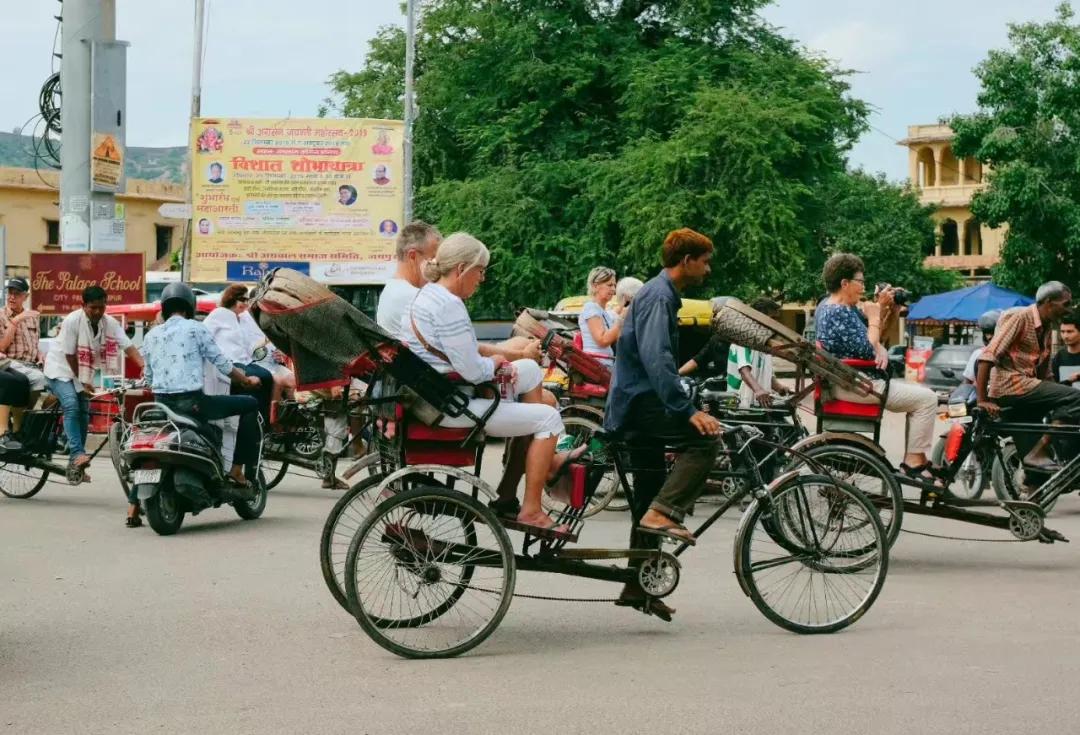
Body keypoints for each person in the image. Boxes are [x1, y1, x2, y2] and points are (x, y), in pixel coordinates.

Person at [400, 232, 581, 532]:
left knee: (531, 371)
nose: (481, 279)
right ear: (461, 269)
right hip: (454, 403)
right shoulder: (450, 306)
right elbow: (473, 369)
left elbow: (462, 351)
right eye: (480, 272)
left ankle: (519, 479)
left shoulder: (430, 296)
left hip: (439, 393)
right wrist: (496, 363)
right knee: (548, 418)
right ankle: (532, 507)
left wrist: (502, 356)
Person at [604, 228, 723, 620]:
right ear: (686, 261)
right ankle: (667, 511)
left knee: (647, 496)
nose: (707, 269)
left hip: (637, 404)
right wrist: (689, 411)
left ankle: (638, 586)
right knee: (705, 442)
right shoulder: (658, 297)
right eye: (704, 261)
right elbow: (658, 361)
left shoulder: (660, 295)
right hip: (642, 405)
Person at [815, 253, 940, 481]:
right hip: (858, 384)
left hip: (853, 380)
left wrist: (888, 310)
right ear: (845, 283)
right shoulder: (837, 312)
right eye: (860, 281)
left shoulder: (833, 306)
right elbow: (867, 348)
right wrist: (874, 314)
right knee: (928, 399)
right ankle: (914, 461)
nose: (863, 287)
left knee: (920, 398)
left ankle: (916, 458)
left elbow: (878, 336)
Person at [140, 282, 262, 499]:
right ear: (189, 306)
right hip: (193, 404)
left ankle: (134, 506)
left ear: (165, 308)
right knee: (250, 404)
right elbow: (222, 363)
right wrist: (246, 381)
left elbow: (148, 377)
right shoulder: (196, 328)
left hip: (161, 405)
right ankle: (236, 469)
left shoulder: (151, 336)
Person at [976, 282, 1080, 484]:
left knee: (1038, 471)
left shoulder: (1047, 327)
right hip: (1011, 386)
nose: (1068, 310)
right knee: (1076, 397)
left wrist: (1057, 394)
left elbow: (1044, 373)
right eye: (1065, 304)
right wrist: (982, 400)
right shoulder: (1021, 317)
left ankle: (1027, 510)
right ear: (1049, 302)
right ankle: (1039, 449)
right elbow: (988, 356)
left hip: (1028, 392)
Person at [44, 286, 144, 479]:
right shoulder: (73, 320)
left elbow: (128, 346)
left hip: (81, 372)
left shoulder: (109, 323)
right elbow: (70, 355)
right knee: (72, 405)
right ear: (83, 306)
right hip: (60, 369)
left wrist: (143, 365)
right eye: (93, 308)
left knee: (84, 410)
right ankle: (77, 454)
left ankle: (77, 462)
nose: (98, 312)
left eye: (101, 307)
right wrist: (82, 381)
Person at [204, 284, 274, 425]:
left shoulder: (240, 318)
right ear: (232, 298)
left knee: (267, 377)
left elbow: (248, 344)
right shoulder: (219, 313)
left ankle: (261, 421)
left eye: (247, 300)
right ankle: (256, 422)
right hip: (229, 362)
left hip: (245, 361)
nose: (245, 303)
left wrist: (267, 342)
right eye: (242, 299)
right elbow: (204, 335)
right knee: (262, 377)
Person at [0, 277, 46, 450]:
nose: (12, 297)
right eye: (10, 293)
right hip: (11, 363)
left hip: (32, 364)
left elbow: (35, 344)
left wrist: (40, 355)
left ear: (25, 297)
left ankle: (29, 424)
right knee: (38, 380)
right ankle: (19, 424)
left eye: (16, 294)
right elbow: (2, 347)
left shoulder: (33, 317)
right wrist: (16, 320)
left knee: (55, 388)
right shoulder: (2, 315)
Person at [726, 298, 791, 407]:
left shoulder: (764, 342)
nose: (775, 323)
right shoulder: (743, 338)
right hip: (739, 403)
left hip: (757, 402)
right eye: (772, 318)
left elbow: (766, 374)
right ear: (760, 317)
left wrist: (779, 387)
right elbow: (744, 371)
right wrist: (759, 390)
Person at [578, 267, 622, 365]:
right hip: (598, 366)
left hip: (605, 363)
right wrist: (622, 320)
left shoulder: (602, 311)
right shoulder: (591, 308)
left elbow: (615, 313)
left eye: (614, 285)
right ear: (595, 286)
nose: (613, 289)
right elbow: (602, 340)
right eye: (609, 285)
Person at [678, 297, 730, 379]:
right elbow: (697, 360)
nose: (714, 318)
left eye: (716, 315)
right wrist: (676, 376)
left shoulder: (742, 340)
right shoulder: (716, 339)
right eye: (714, 315)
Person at [961, 309, 1001, 384]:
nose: (989, 337)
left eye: (992, 333)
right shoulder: (979, 353)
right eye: (986, 333)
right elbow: (967, 381)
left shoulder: (1013, 354)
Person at [1053, 309, 1080, 387]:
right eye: (1062, 331)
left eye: (1070, 331)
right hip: (1065, 398)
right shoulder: (1059, 357)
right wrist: (1068, 381)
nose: (1065, 336)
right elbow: (1054, 386)